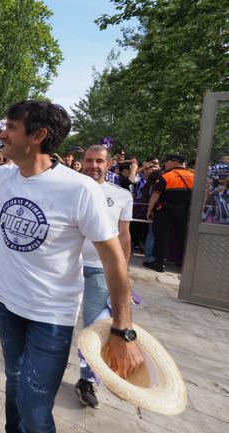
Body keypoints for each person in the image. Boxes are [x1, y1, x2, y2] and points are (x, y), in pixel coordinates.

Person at [0, 99, 142, 433]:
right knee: (13, 381)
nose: (2, 133)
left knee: (34, 405)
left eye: (11, 127)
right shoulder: (1, 177)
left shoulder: (80, 189)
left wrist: (122, 330)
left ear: (38, 135)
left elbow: (115, 260)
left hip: (51, 316)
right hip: (6, 304)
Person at [76, 144, 133, 408]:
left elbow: (124, 236)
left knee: (94, 328)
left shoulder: (121, 195)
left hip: (100, 270)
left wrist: (123, 275)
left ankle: (86, 380)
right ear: (82, 162)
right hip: (67, 268)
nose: (93, 166)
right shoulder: (70, 188)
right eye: (89, 160)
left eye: (99, 161)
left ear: (108, 164)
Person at [144, 153, 194, 272]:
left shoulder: (166, 176)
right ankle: (185, 266)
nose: (165, 164)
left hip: (165, 211)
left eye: (167, 161)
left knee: (161, 237)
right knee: (182, 238)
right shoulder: (194, 176)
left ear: (174, 162)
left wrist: (149, 210)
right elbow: (204, 192)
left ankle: (159, 264)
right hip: (185, 212)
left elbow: (156, 194)